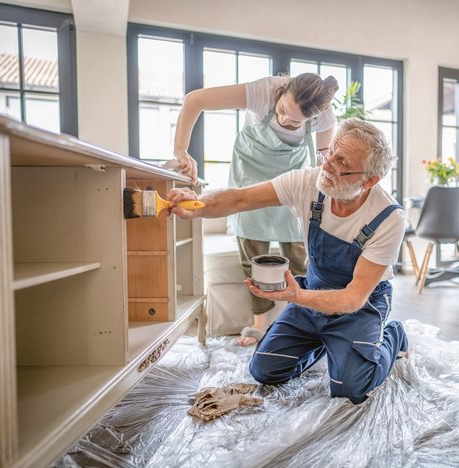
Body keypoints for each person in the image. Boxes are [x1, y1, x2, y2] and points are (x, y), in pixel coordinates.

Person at [168, 118, 408, 404]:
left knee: (351, 389)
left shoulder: (389, 218)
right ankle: (325, 343)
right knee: (264, 370)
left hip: (361, 305)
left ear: (369, 180)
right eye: (329, 152)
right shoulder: (309, 182)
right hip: (314, 291)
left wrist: (296, 296)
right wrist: (197, 205)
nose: (327, 164)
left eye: (341, 163)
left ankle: (394, 335)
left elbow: (354, 297)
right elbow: (241, 199)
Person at [172, 73, 339, 346]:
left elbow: (323, 165)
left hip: (291, 178)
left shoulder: (324, 116)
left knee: (298, 255)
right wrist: (181, 149)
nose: (285, 120)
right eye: (283, 111)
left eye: (296, 121)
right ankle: (259, 321)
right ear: (282, 92)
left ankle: (304, 321)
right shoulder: (262, 92)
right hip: (250, 172)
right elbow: (195, 100)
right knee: (253, 252)